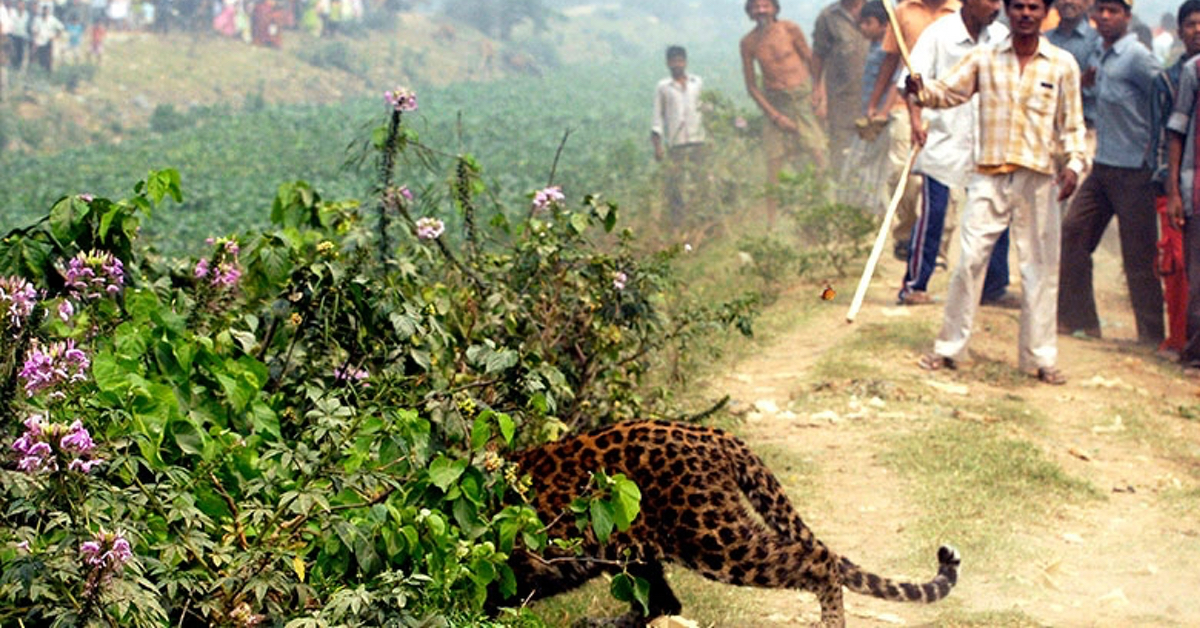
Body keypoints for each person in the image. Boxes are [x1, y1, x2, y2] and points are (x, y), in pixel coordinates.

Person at [910, 0, 1086, 385]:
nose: (1025, 13)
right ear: (1007, 11)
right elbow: (946, 93)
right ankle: (949, 348)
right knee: (969, 262)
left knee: (1039, 269)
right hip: (989, 175)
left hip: (1038, 179)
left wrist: (1074, 166)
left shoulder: (1062, 65)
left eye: (1033, 7)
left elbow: (1073, 127)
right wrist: (920, 89)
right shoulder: (984, 58)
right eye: (1018, 6)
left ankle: (1040, 359)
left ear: (1045, 13)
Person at [1058, 0, 1163, 347]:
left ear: (1127, 17)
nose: (1105, 17)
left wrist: (1158, 154)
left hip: (1136, 171)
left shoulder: (1137, 57)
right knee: (1073, 233)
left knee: (1138, 256)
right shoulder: (1100, 56)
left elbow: (1164, 99)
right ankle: (1080, 322)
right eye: (1100, 10)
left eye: (1113, 11)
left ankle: (1151, 336)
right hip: (1104, 165)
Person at [896, 0, 1014, 307]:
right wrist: (915, 122)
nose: (996, 7)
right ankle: (914, 284)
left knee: (996, 214)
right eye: (990, 0)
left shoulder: (1002, 37)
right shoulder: (938, 35)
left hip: (990, 141)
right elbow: (912, 84)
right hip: (943, 138)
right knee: (933, 215)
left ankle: (994, 286)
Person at [865, 0, 959, 261]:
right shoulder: (903, 12)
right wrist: (876, 104)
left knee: (944, 176)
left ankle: (937, 246)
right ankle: (906, 233)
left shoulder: (961, 12)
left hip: (949, 104)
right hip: (904, 103)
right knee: (900, 172)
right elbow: (891, 60)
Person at [740, 0, 826, 228]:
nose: (761, 11)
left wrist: (820, 93)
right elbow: (752, 87)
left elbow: (811, 62)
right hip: (775, 104)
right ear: (749, 12)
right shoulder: (748, 43)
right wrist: (775, 116)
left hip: (802, 100)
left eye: (765, 6)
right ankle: (773, 225)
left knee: (818, 155)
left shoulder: (790, 29)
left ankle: (823, 212)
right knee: (774, 164)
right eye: (756, 7)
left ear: (775, 9)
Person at [1148, 0, 1200, 358]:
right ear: (1180, 30)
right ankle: (1187, 344)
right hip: (1188, 188)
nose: (1198, 30)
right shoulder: (1180, 75)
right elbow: (1171, 135)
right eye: (1192, 24)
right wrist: (1172, 190)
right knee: (1185, 269)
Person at [651, 45, 707, 231]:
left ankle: (702, 218)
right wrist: (658, 147)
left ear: (685, 61)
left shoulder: (696, 83)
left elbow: (705, 109)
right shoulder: (663, 87)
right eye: (673, 61)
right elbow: (657, 119)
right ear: (667, 63)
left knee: (701, 180)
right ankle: (678, 224)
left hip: (698, 139)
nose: (677, 64)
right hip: (677, 144)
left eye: (680, 60)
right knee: (675, 184)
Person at [812, 0, 869, 174]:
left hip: (876, 97)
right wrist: (817, 89)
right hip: (841, 99)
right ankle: (842, 196)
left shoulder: (879, 8)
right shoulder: (828, 17)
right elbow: (818, 54)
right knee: (841, 152)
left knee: (874, 152)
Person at [1045, 0, 1099, 127]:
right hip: (1048, 127)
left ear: (1088, 3)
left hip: (1086, 125)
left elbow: (1092, 82)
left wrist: (1053, 86)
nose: (1068, 1)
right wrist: (1078, 81)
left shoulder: (1098, 41)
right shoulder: (1044, 40)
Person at [28, 2, 62, 72]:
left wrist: (55, 37)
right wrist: (35, 42)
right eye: (44, 10)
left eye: (47, 10)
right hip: (39, 42)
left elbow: (60, 28)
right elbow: (34, 31)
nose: (45, 11)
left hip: (49, 43)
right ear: (42, 10)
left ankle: (49, 73)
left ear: (49, 11)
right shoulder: (37, 19)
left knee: (49, 60)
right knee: (39, 59)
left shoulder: (52, 19)